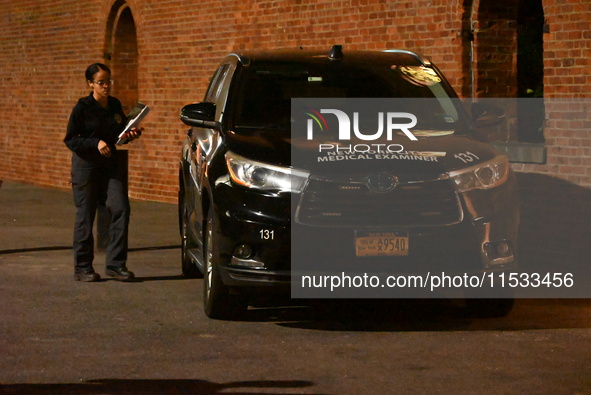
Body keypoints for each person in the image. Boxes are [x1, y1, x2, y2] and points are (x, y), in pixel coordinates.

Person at [64, 63, 143, 282]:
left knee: (120, 209)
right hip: (86, 166)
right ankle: (82, 267)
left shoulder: (114, 105)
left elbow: (119, 133)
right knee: (86, 215)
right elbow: (71, 140)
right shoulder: (82, 108)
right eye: (101, 82)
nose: (106, 86)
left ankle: (116, 265)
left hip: (110, 165)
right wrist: (95, 143)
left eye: (109, 81)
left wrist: (130, 133)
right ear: (90, 84)